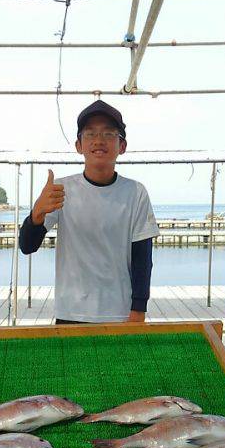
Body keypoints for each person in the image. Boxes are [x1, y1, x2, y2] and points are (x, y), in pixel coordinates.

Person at [19, 99, 159, 324]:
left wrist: (138, 309)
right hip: (70, 312)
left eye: (108, 134)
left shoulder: (135, 192)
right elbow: (27, 246)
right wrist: (36, 214)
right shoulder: (61, 190)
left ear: (122, 146)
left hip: (120, 312)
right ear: (79, 145)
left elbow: (143, 258)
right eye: (90, 134)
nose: (99, 141)